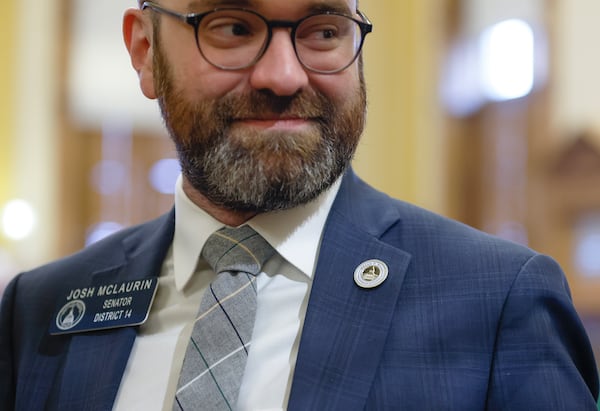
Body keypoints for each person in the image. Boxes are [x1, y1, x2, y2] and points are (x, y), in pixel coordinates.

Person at [1, 0, 598, 409]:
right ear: (143, 51)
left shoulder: (497, 302)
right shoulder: (44, 309)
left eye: (323, 29)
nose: (283, 75)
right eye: (233, 27)